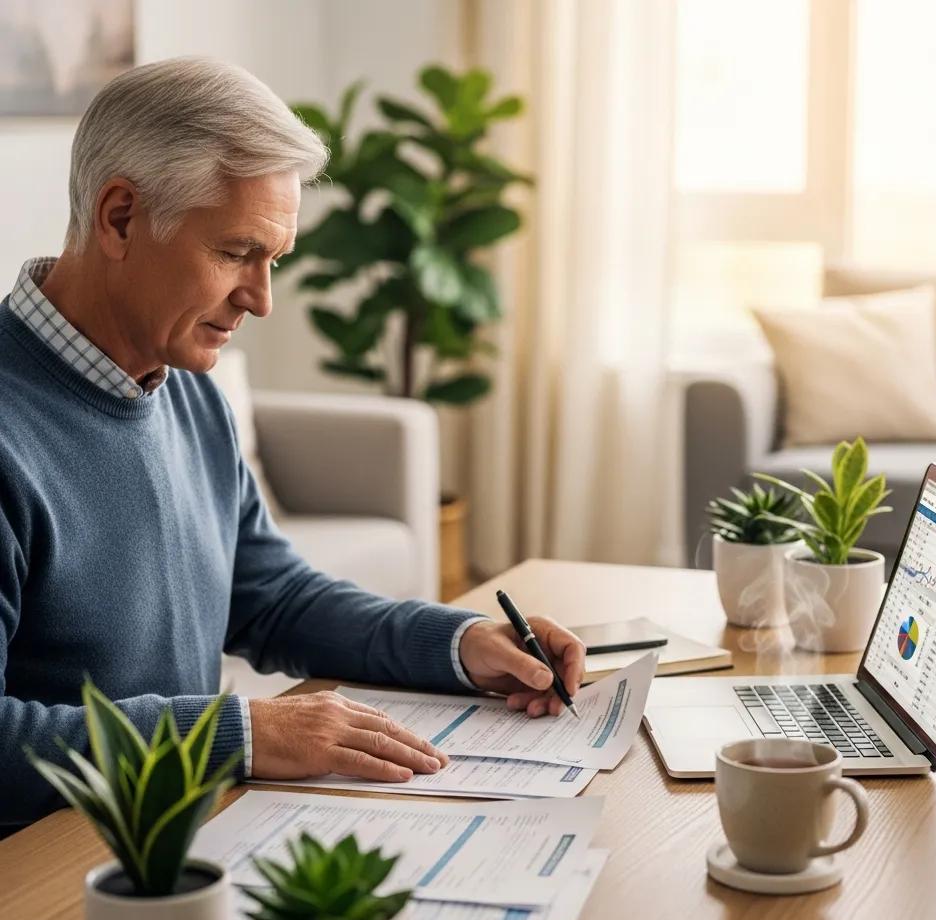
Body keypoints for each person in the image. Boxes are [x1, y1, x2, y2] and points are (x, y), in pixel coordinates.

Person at [0, 57, 585, 832]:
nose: (261, 298)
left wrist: (461, 643)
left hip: (183, 836)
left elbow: (275, 600)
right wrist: (233, 734)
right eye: (235, 252)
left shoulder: (188, 394)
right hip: (55, 880)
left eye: (272, 260)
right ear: (119, 218)